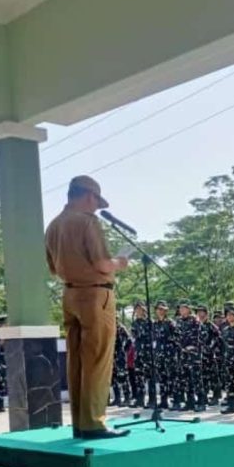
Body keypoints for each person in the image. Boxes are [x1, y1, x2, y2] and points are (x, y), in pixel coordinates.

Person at [45, 175, 129, 438]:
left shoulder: (53, 226)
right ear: (89, 196)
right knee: (97, 358)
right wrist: (120, 262)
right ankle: (94, 422)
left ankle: (80, 424)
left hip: (69, 295)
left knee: (76, 360)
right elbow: (102, 264)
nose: (96, 207)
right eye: (96, 201)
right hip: (96, 295)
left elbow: (52, 268)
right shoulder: (87, 222)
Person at [176, 300, 203, 412]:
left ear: (189, 309)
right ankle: (190, 402)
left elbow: (199, 335)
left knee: (196, 378)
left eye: (184, 308)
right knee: (186, 379)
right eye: (180, 308)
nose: (182, 310)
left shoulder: (194, 320)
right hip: (183, 354)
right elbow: (176, 336)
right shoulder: (179, 321)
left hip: (193, 353)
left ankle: (201, 402)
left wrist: (192, 346)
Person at [153, 300, 178, 410]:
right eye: (159, 309)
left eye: (163, 309)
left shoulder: (170, 323)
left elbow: (177, 337)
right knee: (162, 379)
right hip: (159, 354)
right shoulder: (154, 324)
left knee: (172, 378)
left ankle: (176, 400)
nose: (161, 311)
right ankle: (163, 401)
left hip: (169, 354)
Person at [197, 304, 222, 407]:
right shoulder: (196, 326)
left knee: (213, 377)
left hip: (210, 356)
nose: (201, 315)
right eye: (199, 313)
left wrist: (210, 348)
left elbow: (218, 339)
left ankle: (216, 397)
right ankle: (204, 396)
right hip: (199, 357)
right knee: (203, 378)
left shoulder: (211, 326)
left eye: (203, 313)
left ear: (207, 314)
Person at [130, 300, 151, 408]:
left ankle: (152, 400)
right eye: (136, 309)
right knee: (139, 377)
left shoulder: (149, 322)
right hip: (138, 353)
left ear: (144, 310)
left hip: (148, 353)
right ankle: (140, 399)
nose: (138, 311)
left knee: (150, 376)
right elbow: (134, 336)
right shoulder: (134, 323)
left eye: (140, 309)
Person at [110, 320, 132, 407]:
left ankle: (127, 398)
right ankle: (117, 398)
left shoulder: (121, 328)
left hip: (120, 358)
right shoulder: (109, 328)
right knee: (113, 378)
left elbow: (129, 341)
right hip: (111, 356)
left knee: (123, 377)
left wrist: (123, 351)